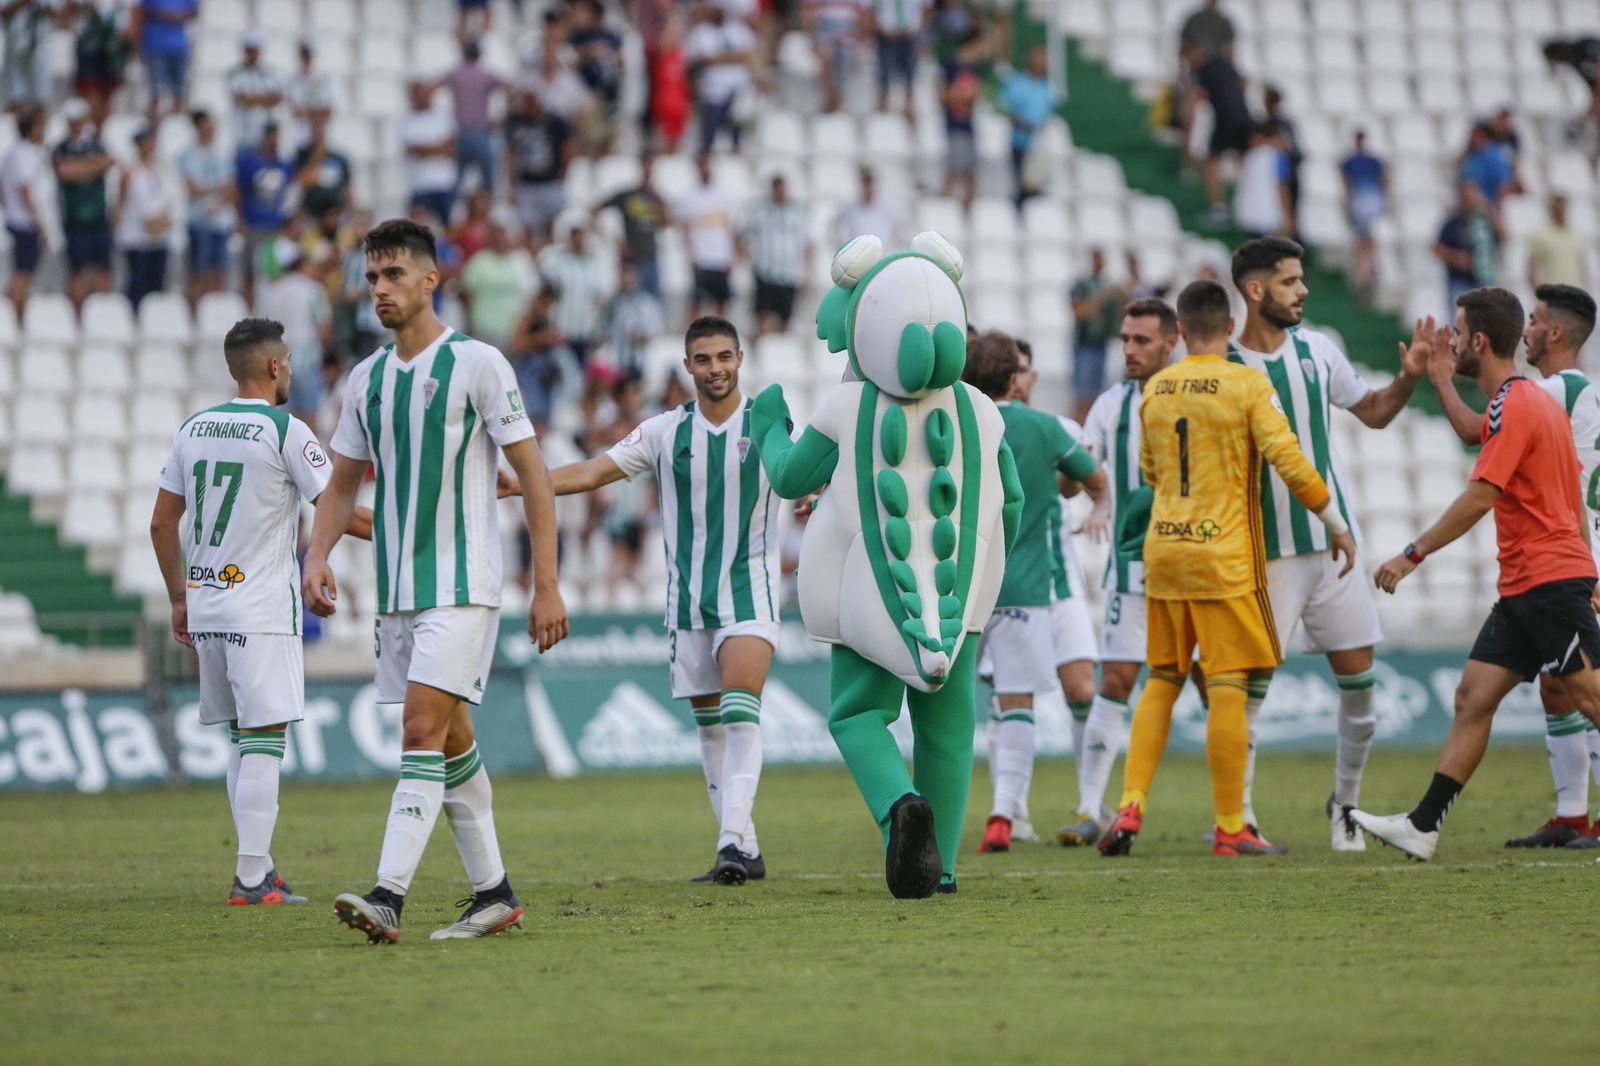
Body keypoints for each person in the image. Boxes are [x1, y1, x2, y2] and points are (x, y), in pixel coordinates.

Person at [305, 219, 569, 943]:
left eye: (392, 276)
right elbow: (339, 486)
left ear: (431, 279)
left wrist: (546, 583)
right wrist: (318, 554)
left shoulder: (479, 364)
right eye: (371, 279)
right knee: (450, 740)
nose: (379, 290)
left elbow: (537, 479)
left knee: (418, 727)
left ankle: (388, 895)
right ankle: (495, 893)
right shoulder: (365, 379)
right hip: (397, 591)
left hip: (463, 584)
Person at [1099, 279, 1354, 858]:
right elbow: (1288, 458)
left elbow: (1150, 472)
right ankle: (1230, 826)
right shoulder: (1246, 382)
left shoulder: (1156, 389)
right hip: (1223, 556)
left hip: (1165, 550)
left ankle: (1131, 804)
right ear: (1231, 328)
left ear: (1181, 332)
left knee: (1161, 679)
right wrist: (1334, 521)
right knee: (1227, 683)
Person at [1355, 287, 1600, 863]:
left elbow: (1480, 495)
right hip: (1527, 586)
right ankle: (1422, 826)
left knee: (1590, 696)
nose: (1454, 343)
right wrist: (1589, 570)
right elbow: (1568, 498)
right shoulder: (1529, 403)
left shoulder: (1518, 404)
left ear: (1480, 342)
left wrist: (1409, 555)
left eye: (1460, 335)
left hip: (1548, 581)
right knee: (1471, 697)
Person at [533, 316, 780, 883]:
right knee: (711, 728)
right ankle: (748, 845)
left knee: (741, 712)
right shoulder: (665, 431)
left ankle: (729, 846)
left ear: (740, 359)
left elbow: (809, 466)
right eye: (703, 359)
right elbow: (593, 472)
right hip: (688, 602)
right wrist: (523, 480)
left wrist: (818, 495)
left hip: (750, 592)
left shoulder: (768, 420)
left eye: (724, 357)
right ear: (688, 367)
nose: (715, 368)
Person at [148, 317, 372, 907]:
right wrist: (404, 535)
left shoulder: (193, 428)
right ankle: (250, 879)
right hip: (260, 609)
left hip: (209, 606)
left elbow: (161, 522)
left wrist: (178, 597)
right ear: (273, 367)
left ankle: (261, 868)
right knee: (264, 741)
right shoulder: (285, 429)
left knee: (242, 740)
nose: (292, 369)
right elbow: (337, 508)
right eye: (290, 360)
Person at [1226, 237, 1427, 851]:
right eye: (1290, 281)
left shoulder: (1319, 349)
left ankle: (1345, 805)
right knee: (1251, 690)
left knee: (1361, 685)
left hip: (1335, 548)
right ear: (1256, 291)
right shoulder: (1223, 367)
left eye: (1303, 279)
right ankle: (1241, 817)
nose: (1304, 290)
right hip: (1267, 554)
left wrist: (1410, 378)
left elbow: (1373, 412)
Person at [1429, 284, 1600, 850]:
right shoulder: (1581, 394)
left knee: (1589, 691)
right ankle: (1574, 814)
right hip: (1573, 552)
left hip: (1568, 559)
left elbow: (1478, 435)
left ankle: (1580, 815)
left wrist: (1440, 379)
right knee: (1559, 689)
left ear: (1555, 333)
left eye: (1536, 321)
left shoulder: (1538, 392)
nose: (1525, 330)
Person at [967, 332, 1102, 854]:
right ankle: (1009, 811)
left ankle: (1083, 803)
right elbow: (1091, 481)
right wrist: (1098, 503)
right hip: (1029, 584)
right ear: (1014, 376)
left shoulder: (948, 426)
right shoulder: (1047, 428)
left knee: (1074, 692)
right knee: (1013, 699)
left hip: (979, 587)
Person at [1068, 300, 1178, 845]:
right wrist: (1094, 495)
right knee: (1115, 680)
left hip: (1196, 563)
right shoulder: (1111, 406)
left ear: (1170, 343)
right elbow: (1085, 469)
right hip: (1131, 561)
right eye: (1125, 340)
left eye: (1141, 340)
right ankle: (1090, 807)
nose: (1130, 350)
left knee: (1216, 685)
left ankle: (1236, 815)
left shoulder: (1192, 395)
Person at [257, 245, 331, 430]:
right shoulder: (313, 289)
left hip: (278, 359)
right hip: (307, 356)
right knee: (309, 415)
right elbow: (324, 326)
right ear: (303, 264)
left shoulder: (270, 292)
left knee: (282, 417)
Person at [52, 96, 115, 310]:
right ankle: (77, 318)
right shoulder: (61, 147)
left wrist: (79, 169)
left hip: (98, 215)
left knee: (103, 269)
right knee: (77, 271)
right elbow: (64, 172)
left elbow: (110, 161)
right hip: (75, 217)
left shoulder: (94, 143)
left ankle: (101, 315)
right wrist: (92, 167)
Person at [1185, 42, 1250, 227]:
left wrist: (1190, 131)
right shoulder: (1227, 65)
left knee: (1211, 161)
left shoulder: (1203, 70)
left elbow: (1197, 97)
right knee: (1243, 160)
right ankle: (1245, 202)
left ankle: (1219, 207)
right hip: (1243, 116)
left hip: (1225, 118)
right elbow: (1243, 82)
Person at [740, 174, 810, 336]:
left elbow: (807, 243)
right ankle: (761, 353)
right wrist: (748, 258)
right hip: (766, 270)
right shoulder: (760, 211)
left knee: (786, 319)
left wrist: (807, 271)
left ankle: (780, 354)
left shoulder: (797, 212)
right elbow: (743, 235)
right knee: (762, 316)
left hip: (789, 272)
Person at [113, 127, 174, 310]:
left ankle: (154, 317)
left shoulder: (159, 169)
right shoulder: (129, 171)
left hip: (157, 234)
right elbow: (120, 202)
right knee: (138, 280)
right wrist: (116, 228)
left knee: (157, 280)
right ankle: (134, 314)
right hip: (135, 235)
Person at [684, 1, 756, 154]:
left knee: (737, 131)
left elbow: (747, 55)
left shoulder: (737, 30)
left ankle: (736, 154)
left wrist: (719, 58)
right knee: (709, 133)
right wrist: (733, 57)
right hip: (713, 90)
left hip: (737, 88)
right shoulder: (701, 32)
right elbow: (705, 60)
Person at [437, 38, 505, 200]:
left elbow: (432, 87)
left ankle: (451, 209)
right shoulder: (485, 74)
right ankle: (487, 208)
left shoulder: (456, 73)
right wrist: (500, 117)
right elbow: (509, 87)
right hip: (481, 132)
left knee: (457, 180)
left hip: (462, 133)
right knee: (488, 179)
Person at [459, 214, 538, 352]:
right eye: (496, 234)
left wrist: (522, 328)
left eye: (503, 234)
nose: (500, 239)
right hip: (483, 330)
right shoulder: (478, 261)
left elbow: (529, 296)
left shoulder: (521, 261)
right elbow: (466, 293)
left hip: (514, 332)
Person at [504, 88, 572, 246]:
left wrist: (564, 173)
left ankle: (549, 253)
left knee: (551, 224)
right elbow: (510, 154)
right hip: (527, 182)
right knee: (527, 226)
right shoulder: (516, 122)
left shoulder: (554, 122)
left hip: (550, 180)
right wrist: (511, 182)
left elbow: (567, 148)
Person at [180, 108, 234, 307]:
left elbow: (231, 188)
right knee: (198, 273)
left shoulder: (222, 153)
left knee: (218, 273)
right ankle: (195, 316)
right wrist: (218, 188)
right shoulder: (189, 154)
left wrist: (218, 202)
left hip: (220, 221)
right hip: (199, 220)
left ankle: (215, 314)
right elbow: (193, 188)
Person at [537, 218, 609, 363]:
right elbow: (546, 289)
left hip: (585, 330)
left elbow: (599, 299)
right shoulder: (557, 262)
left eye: (583, 237)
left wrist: (598, 330)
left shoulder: (593, 264)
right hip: (562, 328)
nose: (580, 241)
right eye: (576, 237)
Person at [235, 121, 293, 299]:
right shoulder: (250, 163)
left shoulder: (283, 165)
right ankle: (248, 305)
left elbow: (290, 193)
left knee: (274, 270)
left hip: (275, 226)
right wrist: (240, 219)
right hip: (254, 225)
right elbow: (239, 193)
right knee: (251, 271)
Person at [597, 154, 668, 294]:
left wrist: (660, 200)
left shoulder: (654, 196)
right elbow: (595, 210)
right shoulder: (627, 195)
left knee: (652, 306)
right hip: (633, 260)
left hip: (652, 256)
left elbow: (664, 223)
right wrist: (613, 239)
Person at [1069, 248, 1124, 423]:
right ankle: (1078, 429)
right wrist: (1101, 297)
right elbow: (1078, 313)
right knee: (1083, 394)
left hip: (1101, 344)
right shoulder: (1081, 285)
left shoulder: (1106, 285)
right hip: (1085, 344)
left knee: (1096, 395)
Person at [678, 153, 737, 317]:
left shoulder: (724, 195)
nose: (705, 170)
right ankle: (691, 337)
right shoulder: (690, 196)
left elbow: (730, 227)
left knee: (721, 303)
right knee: (696, 302)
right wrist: (691, 255)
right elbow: (686, 229)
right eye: (702, 166)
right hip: (702, 258)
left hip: (721, 257)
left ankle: (721, 339)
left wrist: (732, 255)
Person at [1, 103, 46, 309]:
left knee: (22, 271)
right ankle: (11, 314)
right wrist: (39, 222)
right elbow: (24, 190)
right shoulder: (25, 154)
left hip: (14, 216)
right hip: (24, 220)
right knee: (23, 274)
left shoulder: (11, 153)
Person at [999, 45, 1056, 207]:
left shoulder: (1047, 87)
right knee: (1020, 184)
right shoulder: (1018, 83)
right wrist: (1026, 126)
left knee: (1037, 185)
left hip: (1038, 144)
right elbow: (1008, 111)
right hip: (1020, 142)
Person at [400, 81, 457, 227]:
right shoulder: (406, 121)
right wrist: (439, 148)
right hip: (420, 185)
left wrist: (426, 148)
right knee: (419, 231)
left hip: (445, 183)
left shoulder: (444, 117)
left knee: (448, 227)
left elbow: (453, 148)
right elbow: (415, 150)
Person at [1435, 180, 1500, 309]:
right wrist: (1457, 259)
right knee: (1459, 318)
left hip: (1484, 277)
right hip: (1460, 280)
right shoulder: (1453, 221)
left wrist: (1488, 208)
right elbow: (1437, 248)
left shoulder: (1485, 220)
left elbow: (1503, 235)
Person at [1341, 130, 1387, 305]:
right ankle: (1365, 276)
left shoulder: (1357, 162)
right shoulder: (1369, 162)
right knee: (1365, 244)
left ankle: (1364, 276)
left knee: (1364, 244)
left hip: (1363, 205)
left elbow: (1348, 184)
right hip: (1366, 205)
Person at [938, 27, 983, 207]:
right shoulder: (951, 66)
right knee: (955, 167)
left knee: (970, 168)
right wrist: (962, 96)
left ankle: (969, 208)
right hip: (955, 122)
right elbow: (942, 95)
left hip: (967, 123)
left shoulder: (973, 68)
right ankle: (944, 205)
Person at [71, 0, 129, 126]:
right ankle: (90, 128)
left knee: (107, 93)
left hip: (112, 47)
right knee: (90, 90)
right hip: (89, 48)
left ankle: (102, 131)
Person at [136, 0, 196, 121]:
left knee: (179, 89)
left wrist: (180, 15)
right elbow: (140, 11)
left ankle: (177, 120)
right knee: (156, 89)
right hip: (155, 45)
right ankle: (154, 122)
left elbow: (194, 11)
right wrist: (163, 14)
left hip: (178, 46)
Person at [227, 30, 284, 158]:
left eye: (255, 50)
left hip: (265, 136)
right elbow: (242, 98)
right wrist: (265, 98)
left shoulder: (270, 73)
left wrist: (254, 98)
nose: (252, 54)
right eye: (249, 50)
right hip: (243, 135)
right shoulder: (235, 73)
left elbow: (277, 98)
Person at [605, 258, 665, 373]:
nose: (625, 278)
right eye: (623, 273)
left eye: (629, 273)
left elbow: (655, 331)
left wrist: (640, 336)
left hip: (639, 359)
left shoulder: (647, 302)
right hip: (617, 359)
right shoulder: (614, 302)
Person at [1233, 122, 1293, 238]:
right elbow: (1282, 187)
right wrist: (1287, 216)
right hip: (1269, 217)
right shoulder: (1277, 157)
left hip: (1247, 216)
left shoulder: (1249, 157)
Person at [869, 0, 925, 121]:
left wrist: (919, 27)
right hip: (886, 34)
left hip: (910, 34)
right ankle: (883, 102)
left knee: (911, 68)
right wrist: (878, 28)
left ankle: (909, 103)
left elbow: (926, 8)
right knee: (884, 67)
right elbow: (869, 9)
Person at [807, 0, 866, 114]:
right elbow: (810, 11)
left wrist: (861, 36)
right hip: (824, 31)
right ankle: (828, 100)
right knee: (825, 64)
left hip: (848, 32)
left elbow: (862, 12)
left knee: (844, 67)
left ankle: (840, 101)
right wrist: (812, 37)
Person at [3, 1, 62, 113]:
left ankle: (38, 128)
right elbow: (4, 12)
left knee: (42, 98)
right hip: (15, 51)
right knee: (17, 97)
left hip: (41, 50)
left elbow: (58, 15)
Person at [292, 115, 352, 218]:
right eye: (314, 127)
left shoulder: (339, 158)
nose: (317, 131)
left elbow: (348, 189)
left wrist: (351, 213)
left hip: (336, 215)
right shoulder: (302, 156)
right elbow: (301, 183)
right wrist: (316, 159)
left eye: (320, 127)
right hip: (312, 215)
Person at [1527, 193, 1586, 290]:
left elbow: (1581, 269)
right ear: (1550, 209)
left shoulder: (1577, 235)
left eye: (1563, 205)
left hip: (1575, 295)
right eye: (1557, 206)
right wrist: (1540, 295)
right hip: (1553, 296)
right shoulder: (1540, 236)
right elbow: (1531, 270)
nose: (1561, 209)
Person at [833, 166, 900, 248]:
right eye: (865, 182)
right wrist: (842, 245)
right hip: (858, 254)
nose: (868, 186)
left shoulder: (889, 204)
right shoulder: (848, 205)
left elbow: (898, 228)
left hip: (883, 253)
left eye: (870, 182)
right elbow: (835, 226)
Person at [1457, 122, 1516, 213]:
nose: (1471, 138)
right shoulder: (1470, 154)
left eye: (1474, 134)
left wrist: (1496, 208)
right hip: (1471, 207)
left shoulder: (1494, 156)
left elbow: (1504, 184)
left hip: (1488, 207)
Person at [284, 42, 334, 149]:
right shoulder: (293, 82)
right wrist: (315, 111)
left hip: (319, 136)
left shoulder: (322, 80)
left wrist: (307, 111)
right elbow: (295, 111)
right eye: (304, 56)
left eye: (308, 56)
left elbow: (328, 109)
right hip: (300, 137)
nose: (306, 60)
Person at [1178, 0, 1233, 64]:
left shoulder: (1224, 22)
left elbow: (1229, 48)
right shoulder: (1194, 20)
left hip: (1218, 62)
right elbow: (1184, 44)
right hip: (1196, 62)